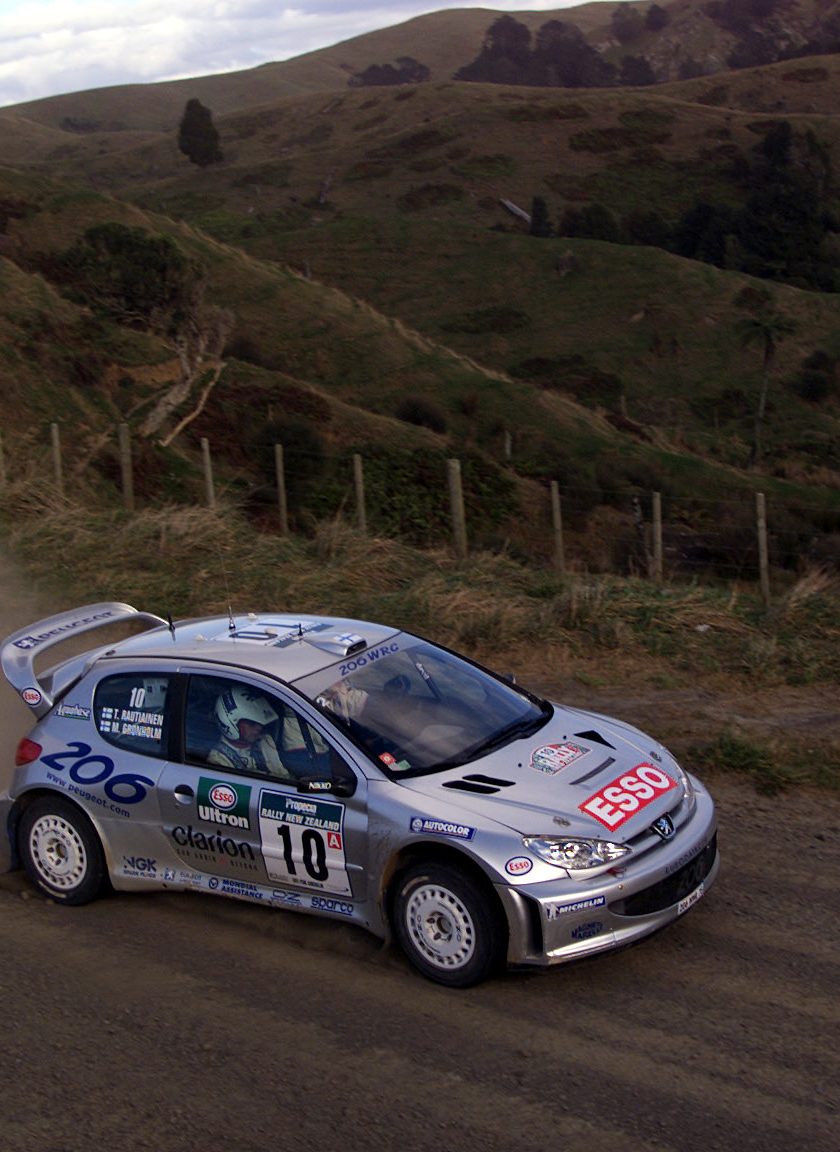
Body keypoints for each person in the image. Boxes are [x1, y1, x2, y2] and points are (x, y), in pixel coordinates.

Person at [208, 685, 291, 778]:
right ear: (230, 723)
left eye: (261, 722)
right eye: (252, 723)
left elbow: (283, 776)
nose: (259, 728)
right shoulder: (218, 759)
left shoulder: (265, 741)